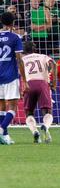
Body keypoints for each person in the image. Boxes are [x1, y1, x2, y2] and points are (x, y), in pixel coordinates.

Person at [0, 12, 28, 145]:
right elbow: (19, 60)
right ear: (12, 23)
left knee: (1, 107)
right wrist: (25, 80)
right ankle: (1, 130)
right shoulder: (15, 37)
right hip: (10, 76)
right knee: (13, 106)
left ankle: (4, 136)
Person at [22, 42, 56, 144]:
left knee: (29, 113)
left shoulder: (22, 60)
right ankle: (45, 126)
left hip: (29, 84)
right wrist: (54, 82)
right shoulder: (43, 56)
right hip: (42, 83)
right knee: (47, 111)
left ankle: (34, 131)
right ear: (35, 49)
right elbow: (53, 64)